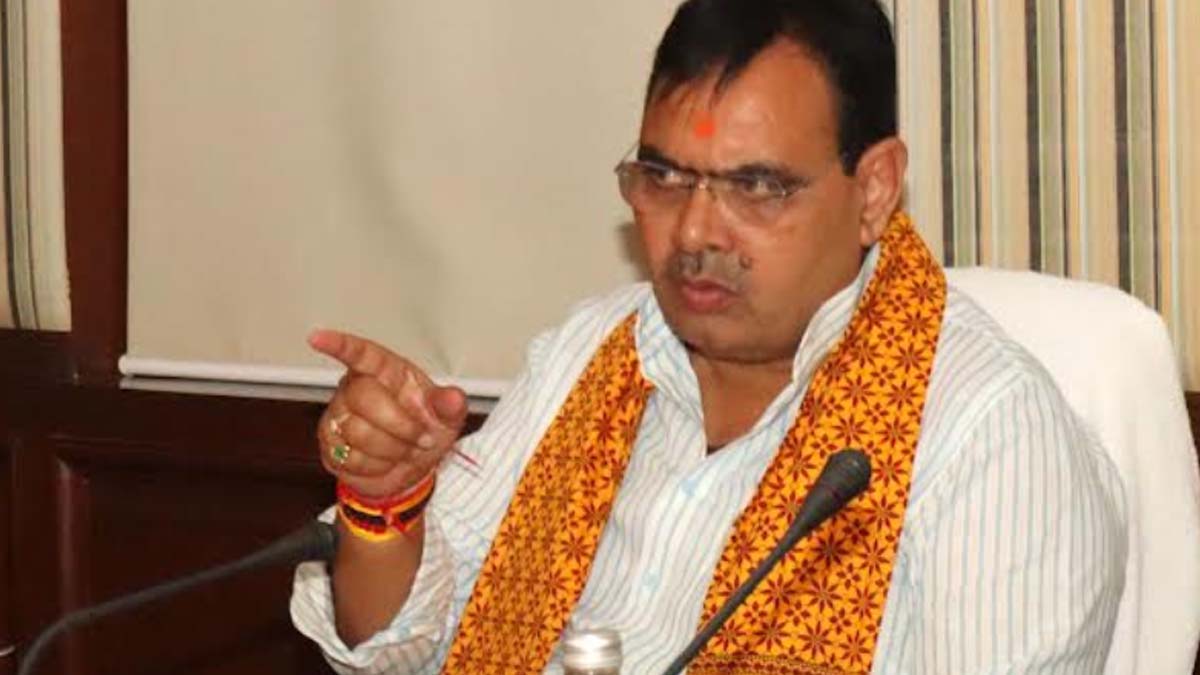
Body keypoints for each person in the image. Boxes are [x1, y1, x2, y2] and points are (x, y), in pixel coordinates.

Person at [291, 0, 1127, 672]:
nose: (694, 232)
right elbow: (404, 649)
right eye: (664, 176)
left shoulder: (990, 439)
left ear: (874, 189)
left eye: (756, 187)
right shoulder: (590, 356)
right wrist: (384, 504)